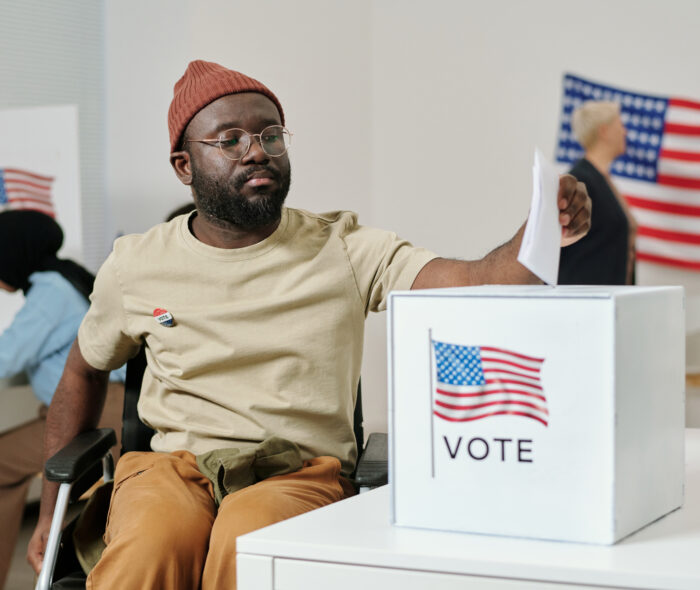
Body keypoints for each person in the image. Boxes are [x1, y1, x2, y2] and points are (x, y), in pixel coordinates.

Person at [27, 60, 591, 589]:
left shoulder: (343, 247)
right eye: (230, 141)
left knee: (247, 543)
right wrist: (53, 510)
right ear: (184, 166)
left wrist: (542, 230)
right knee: (154, 543)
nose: (257, 152)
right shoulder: (136, 263)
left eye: (271, 136)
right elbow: (82, 370)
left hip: (295, 472)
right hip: (172, 470)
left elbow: (483, 278)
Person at [0, 210, 125, 589]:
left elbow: (6, 358)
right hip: (97, 406)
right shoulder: (62, 280)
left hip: (100, 411)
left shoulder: (51, 292)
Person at [558, 100, 638, 285]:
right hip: (587, 304)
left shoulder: (602, 180)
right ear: (604, 131)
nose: (625, 131)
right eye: (620, 125)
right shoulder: (579, 182)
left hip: (610, 301)